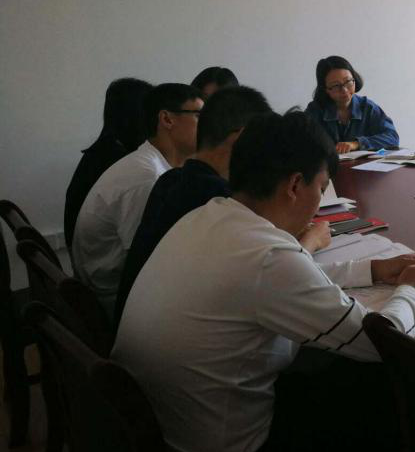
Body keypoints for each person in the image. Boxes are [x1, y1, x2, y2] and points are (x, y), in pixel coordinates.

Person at [112, 110, 415, 452]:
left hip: (159, 449)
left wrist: (371, 270)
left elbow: (281, 281)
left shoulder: (209, 217)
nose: (319, 202)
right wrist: (412, 290)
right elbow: (380, 343)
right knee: (374, 393)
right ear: (295, 185)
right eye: (322, 187)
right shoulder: (266, 256)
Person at [113, 86, 273, 328]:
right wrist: (311, 240)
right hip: (164, 331)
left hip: (137, 321)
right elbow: (266, 269)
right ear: (240, 138)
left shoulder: (173, 179)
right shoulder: (216, 198)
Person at [72, 83, 203, 316]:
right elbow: (149, 262)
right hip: (114, 301)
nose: (209, 126)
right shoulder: (146, 179)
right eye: (198, 115)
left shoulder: (149, 163)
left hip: (112, 289)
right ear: (167, 119)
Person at [64, 77, 152, 249]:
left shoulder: (103, 150)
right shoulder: (121, 162)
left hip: (87, 255)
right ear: (138, 115)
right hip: (101, 260)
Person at [304, 55, 399, 153]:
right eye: (336, 85)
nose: (344, 90)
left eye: (348, 81)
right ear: (325, 89)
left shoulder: (367, 107)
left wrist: (356, 144)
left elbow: (392, 138)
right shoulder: (315, 111)